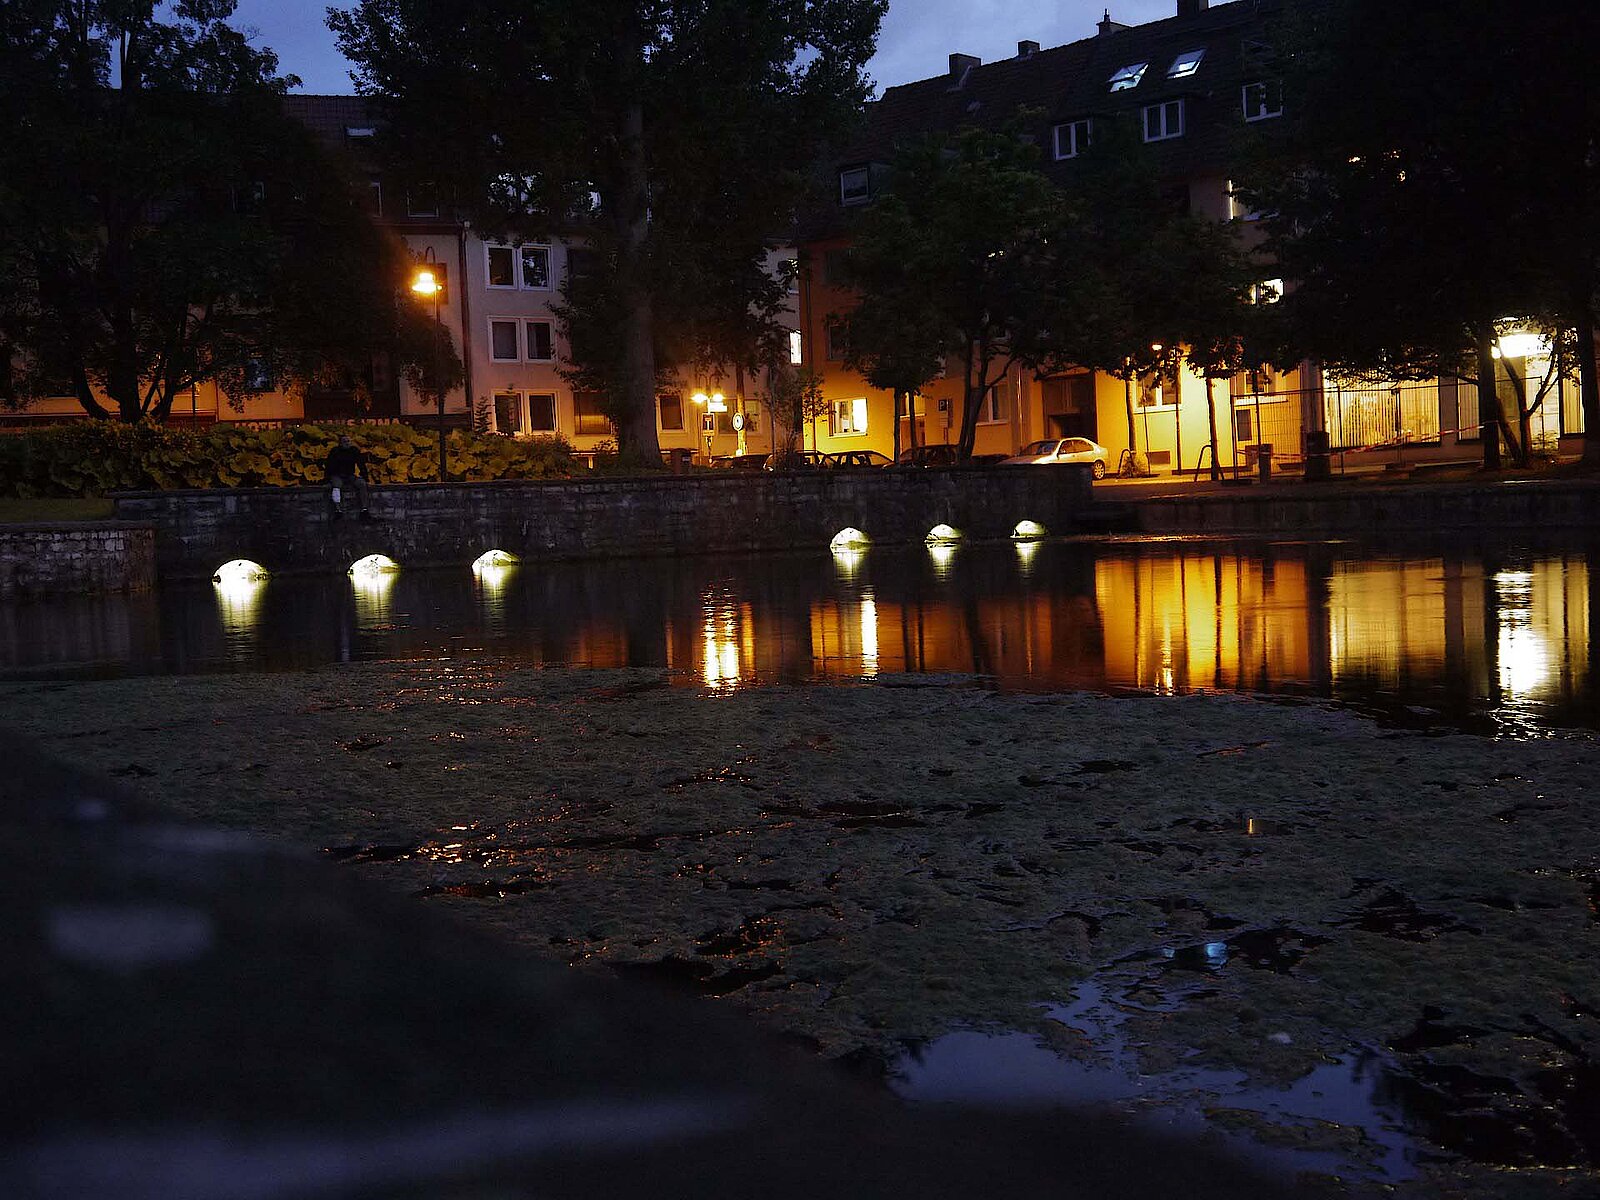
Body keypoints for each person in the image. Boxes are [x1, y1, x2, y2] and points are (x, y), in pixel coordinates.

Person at [324, 434, 373, 521]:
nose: (347, 443)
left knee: (362, 484)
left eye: (348, 441)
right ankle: (338, 510)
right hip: (337, 474)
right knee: (336, 486)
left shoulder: (354, 450)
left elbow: (361, 464)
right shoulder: (335, 451)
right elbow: (329, 466)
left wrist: (366, 478)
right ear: (340, 443)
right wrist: (327, 479)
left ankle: (364, 510)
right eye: (344, 442)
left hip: (350, 474)